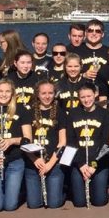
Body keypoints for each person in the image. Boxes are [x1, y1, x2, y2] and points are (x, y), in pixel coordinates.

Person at [66, 82, 109, 208]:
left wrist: (93, 165)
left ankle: (106, 188)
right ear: (78, 98)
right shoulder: (73, 113)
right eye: (83, 97)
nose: (86, 100)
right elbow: (70, 141)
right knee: (80, 203)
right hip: (79, 163)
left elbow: (106, 143)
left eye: (89, 96)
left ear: (95, 95)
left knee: (99, 202)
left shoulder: (104, 114)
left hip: (98, 162)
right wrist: (81, 164)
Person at [24, 80, 65, 209]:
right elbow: (26, 142)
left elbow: (62, 142)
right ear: (37, 94)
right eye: (43, 93)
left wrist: (49, 165)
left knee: (54, 204)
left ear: (54, 94)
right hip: (34, 162)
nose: (47, 96)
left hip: (53, 163)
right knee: (34, 204)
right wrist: (34, 159)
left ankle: (64, 191)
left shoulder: (60, 112)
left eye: (50, 93)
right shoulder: (28, 112)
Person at [0, 79, 32, 211]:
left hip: (15, 161)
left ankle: (18, 191)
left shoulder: (21, 109)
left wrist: (11, 141)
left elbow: (27, 139)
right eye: (0, 91)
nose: (4, 94)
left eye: (7, 91)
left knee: (10, 206)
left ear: (13, 93)